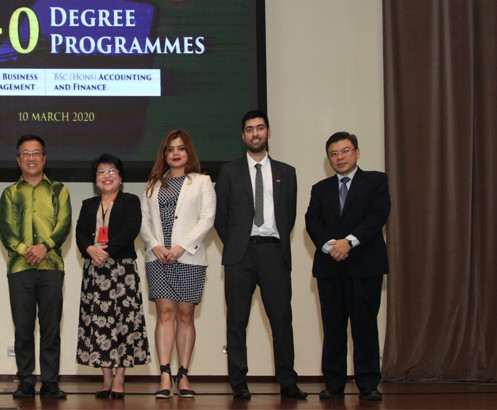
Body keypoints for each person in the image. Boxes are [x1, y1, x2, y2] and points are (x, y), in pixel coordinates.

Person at [214, 110, 307, 400]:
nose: (255, 133)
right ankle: (238, 382)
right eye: (249, 129)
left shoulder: (286, 172)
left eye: (260, 128)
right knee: (236, 322)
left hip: (273, 254)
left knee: (281, 320)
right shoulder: (228, 172)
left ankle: (288, 381)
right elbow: (221, 217)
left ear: (268, 132)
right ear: (243, 136)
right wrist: (238, 243)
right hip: (239, 256)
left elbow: (288, 215)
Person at [304, 132, 390, 402]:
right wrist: (331, 245)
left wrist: (349, 243)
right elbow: (312, 220)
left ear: (357, 152)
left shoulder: (376, 181)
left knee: (364, 326)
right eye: (334, 153)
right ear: (328, 158)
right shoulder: (320, 188)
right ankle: (334, 383)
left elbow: (378, 215)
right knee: (332, 327)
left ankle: (367, 383)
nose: (339, 157)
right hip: (330, 267)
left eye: (345, 151)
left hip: (365, 266)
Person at [140, 129, 215, 399]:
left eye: (181, 148)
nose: (175, 153)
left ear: (188, 153)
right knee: (165, 315)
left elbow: (207, 219)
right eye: (170, 149)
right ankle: (163, 375)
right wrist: (156, 246)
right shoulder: (153, 184)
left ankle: (183, 375)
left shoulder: (202, 182)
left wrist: (181, 247)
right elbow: (145, 222)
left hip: (189, 257)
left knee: (185, 316)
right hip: (158, 257)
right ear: (164, 154)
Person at [0, 135, 72, 399]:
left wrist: (44, 246)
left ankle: (50, 382)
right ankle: (26, 380)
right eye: (25, 153)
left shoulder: (59, 190)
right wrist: (25, 251)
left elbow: (63, 225)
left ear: (44, 158)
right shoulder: (9, 193)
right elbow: (6, 230)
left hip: (51, 266)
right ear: (18, 160)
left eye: (36, 153)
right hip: (19, 269)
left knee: (51, 327)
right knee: (23, 327)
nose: (31, 158)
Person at [75, 154, 151, 400]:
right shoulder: (88, 205)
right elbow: (79, 234)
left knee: (123, 325)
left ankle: (120, 378)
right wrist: (90, 249)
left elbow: (131, 230)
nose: (106, 176)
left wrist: (103, 252)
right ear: (95, 180)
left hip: (121, 271)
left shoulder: (129, 201)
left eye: (111, 171)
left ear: (120, 177)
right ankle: (106, 379)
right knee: (99, 324)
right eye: (101, 172)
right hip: (95, 272)